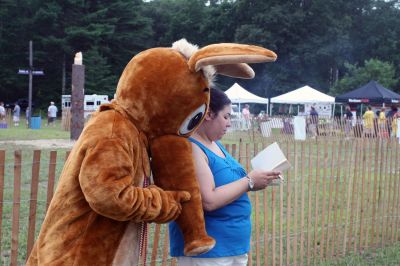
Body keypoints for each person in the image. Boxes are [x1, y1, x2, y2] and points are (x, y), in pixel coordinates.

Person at [169, 88, 281, 266]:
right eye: (226, 116)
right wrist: (249, 181)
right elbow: (209, 200)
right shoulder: (191, 148)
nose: (229, 123)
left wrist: (259, 178)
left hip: (233, 246)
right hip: (209, 252)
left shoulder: (215, 144)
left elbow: (232, 186)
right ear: (208, 114)